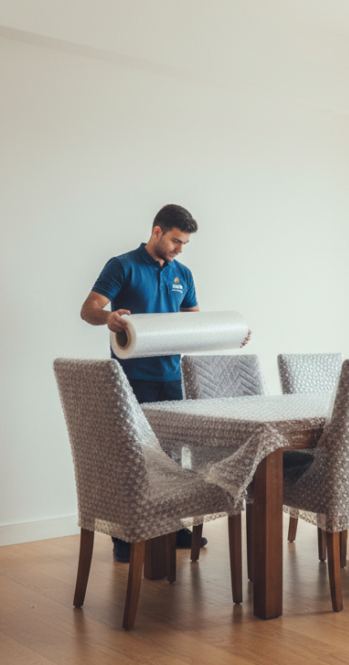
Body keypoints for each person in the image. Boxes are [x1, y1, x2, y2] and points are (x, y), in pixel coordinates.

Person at [81, 204, 247, 562]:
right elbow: (89, 308)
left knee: (171, 458)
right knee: (133, 456)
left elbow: (193, 327)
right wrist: (108, 316)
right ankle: (127, 538)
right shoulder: (122, 265)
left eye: (185, 243)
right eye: (175, 240)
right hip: (131, 377)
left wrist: (228, 335)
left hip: (172, 379)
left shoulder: (182, 274)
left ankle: (171, 528)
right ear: (157, 231)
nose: (179, 249)